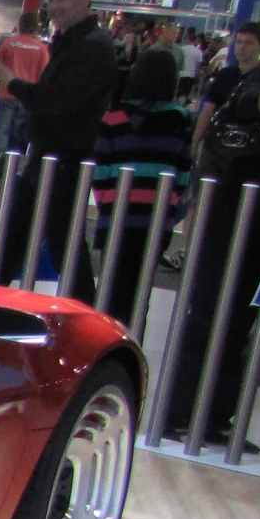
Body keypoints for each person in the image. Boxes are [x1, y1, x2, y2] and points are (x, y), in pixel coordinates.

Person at [167, 0, 260, 444]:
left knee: (241, 321)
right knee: (213, 312)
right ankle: (183, 413)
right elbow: (252, 104)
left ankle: (214, 417)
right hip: (236, 214)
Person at [0, 0, 116, 302]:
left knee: (60, 243)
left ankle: (87, 314)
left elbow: (56, 102)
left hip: (65, 158)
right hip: (50, 155)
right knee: (23, 237)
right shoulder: (70, 42)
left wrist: (12, 82)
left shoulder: (92, 46)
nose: (56, 5)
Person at [88, 46, 193, 326]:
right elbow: (183, 175)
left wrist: (109, 206)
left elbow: (100, 172)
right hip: (156, 220)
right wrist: (170, 211)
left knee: (111, 291)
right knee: (139, 294)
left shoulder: (114, 116)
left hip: (118, 217)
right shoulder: (180, 120)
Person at [194, 20, 260, 168]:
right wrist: (196, 142)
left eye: (248, 43)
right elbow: (208, 109)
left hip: (250, 151)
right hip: (217, 147)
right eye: (239, 42)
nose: (242, 48)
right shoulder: (225, 75)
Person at [0, 10, 49, 166]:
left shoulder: (9, 43)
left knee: (1, 128)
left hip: (6, 93)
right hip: (27, 96)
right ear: (35, 27)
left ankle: (0, 156)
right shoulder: (41, 48)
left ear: (20, 25)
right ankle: (13, 162)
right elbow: (45, 76)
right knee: (18, 132)